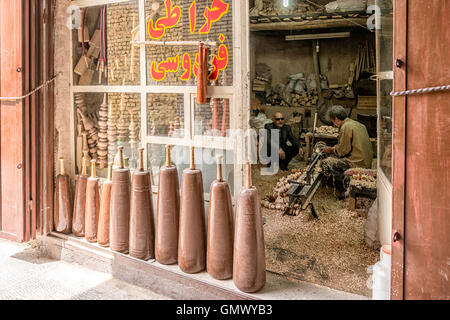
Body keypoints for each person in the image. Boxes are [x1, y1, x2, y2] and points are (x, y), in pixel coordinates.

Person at [322, 105, 373, 199]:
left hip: (357, 163)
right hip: (366, 161)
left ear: (337, 119)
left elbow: (342, 151)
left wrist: (331, 149)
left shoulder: (346, 127)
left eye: (333, 122)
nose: (334, 124)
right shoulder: (357, 124)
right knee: (333, 159)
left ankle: (346, 188)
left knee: (326, 163)